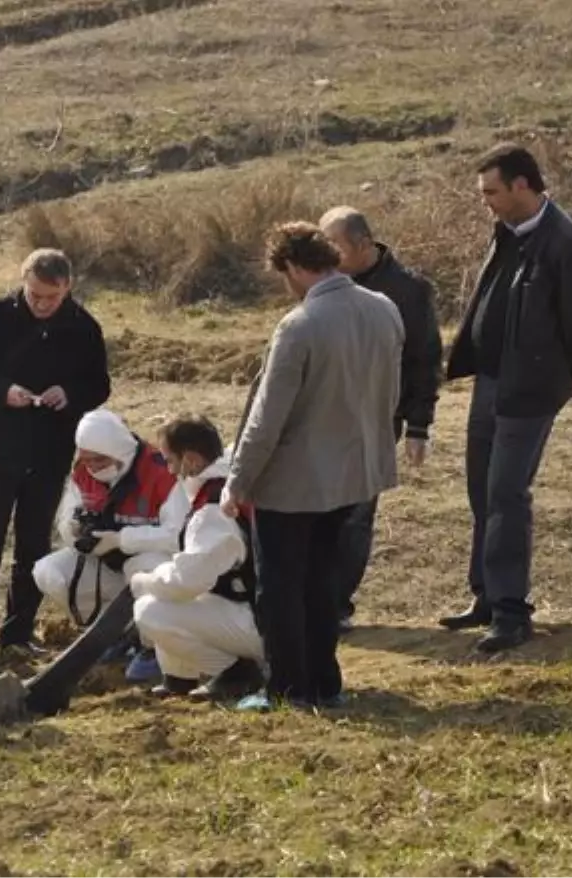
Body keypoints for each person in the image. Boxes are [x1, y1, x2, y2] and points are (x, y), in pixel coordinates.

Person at [221, 222, 403, 712]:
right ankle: (326, 682)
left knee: (280, 587)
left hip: (292, 481)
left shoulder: (300, 325)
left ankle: (287, 688)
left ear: (296, 268)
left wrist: (237, 482)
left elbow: (267, 416)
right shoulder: (384, 310)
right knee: (325, 582)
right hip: (352, 473)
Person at [440, 144, 572, 652]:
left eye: (491, 192)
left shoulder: (567, 243)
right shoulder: (508, 233)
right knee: (481, 490)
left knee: (508, 493)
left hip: (530, 389)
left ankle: (512, 612)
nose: (485, 201)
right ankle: (487, 595)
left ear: (521, 186)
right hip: (491, 380)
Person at [0, 249, 110, 670]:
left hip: (50, 450)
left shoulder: (83, 327)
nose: (41, 304)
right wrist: (3, 391)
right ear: (24, 283)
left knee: (34, 543)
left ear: (67, 288)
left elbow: (99, 384)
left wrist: (69, 393)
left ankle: (18, 633)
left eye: (50, 297)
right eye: (35, 295)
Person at [318, 206, 443, 629]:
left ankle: (336, 606)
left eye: (335, 245)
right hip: (323, 418)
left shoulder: (408, 291)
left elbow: (425, 359)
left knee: (355, 515)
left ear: (365, 244)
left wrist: (419, 424)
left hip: (376, 420)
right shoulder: (322, 283)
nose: (327, 254)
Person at [30, 407, 187, 680]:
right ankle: (113, 635)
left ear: (119, 450)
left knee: (144, 569)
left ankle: (153, 646)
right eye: (87, 460)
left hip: (152, 562)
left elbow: (179, 535)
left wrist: (123, 539)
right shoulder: (83, 473)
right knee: (47, 572)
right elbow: (66, 520)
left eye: (100, 460)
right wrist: (78, 532)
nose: (93, 468)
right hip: (105, 562)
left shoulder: (160, 471)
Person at [130, 415, 264, 701]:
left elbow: (187, 582)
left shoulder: (211, 511)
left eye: (169, 461)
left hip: (260, 622)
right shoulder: (229, 484)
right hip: (260, 610)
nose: (168, 470)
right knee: (167, 596)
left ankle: (239, 673)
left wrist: (145, 582)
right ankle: (178, 678)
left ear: (190, 460)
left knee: (149, 610)